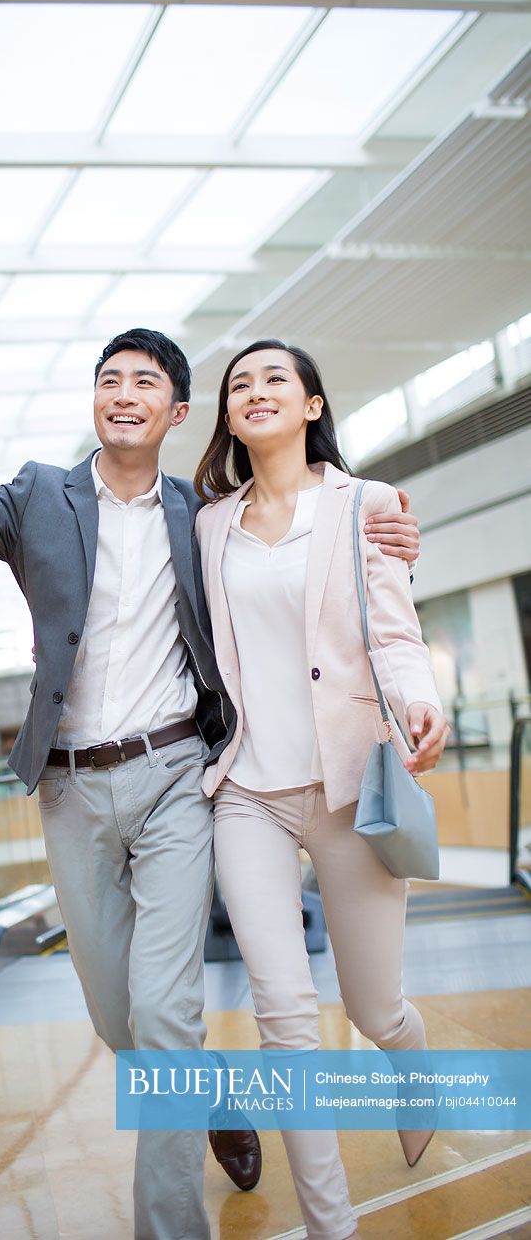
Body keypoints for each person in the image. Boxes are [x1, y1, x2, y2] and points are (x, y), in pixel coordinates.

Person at [0, 307, 420, 1239]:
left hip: (182, 777)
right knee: (120, 1019)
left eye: (146, 382)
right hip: (68, 787)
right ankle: (212, 1093)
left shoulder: (201, 515)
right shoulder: (38, 499)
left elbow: (323, 542)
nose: (124, 394)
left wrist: (387, 529)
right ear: (94, 403)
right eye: (110, 380)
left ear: (179, 412)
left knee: (166, 1013)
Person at [193, 339, 450, 1240]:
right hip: (246, 793)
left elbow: (395, 633)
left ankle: (411, 1059)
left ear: (310, 405)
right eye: (238, 384)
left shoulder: (365, 505)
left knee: (374, 1004)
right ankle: (329, 1228)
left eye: (275, 379)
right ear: (226, 417)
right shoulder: (206, 523)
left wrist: (421, 703)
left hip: (351, 788)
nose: (255, 391)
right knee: (284, 1018)